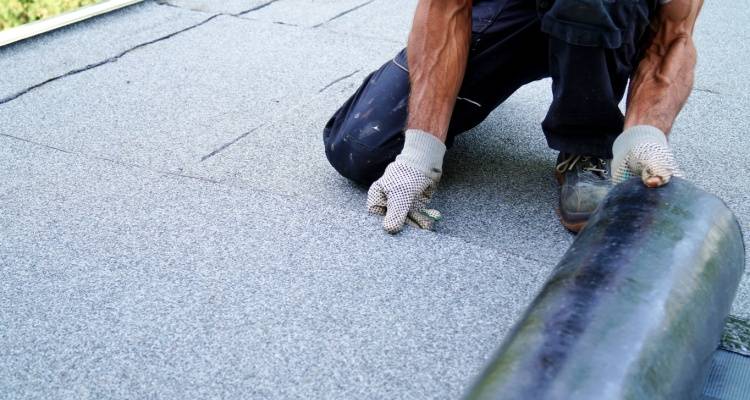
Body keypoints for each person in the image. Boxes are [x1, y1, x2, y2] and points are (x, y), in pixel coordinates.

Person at [323, 0, 701, 233]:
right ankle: (466, 87)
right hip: (510, 10)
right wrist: (420, 151)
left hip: (602, 22)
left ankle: (584, 144)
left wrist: (645, 134)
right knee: (363, 148)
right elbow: (446, 6)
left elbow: (675, 34)